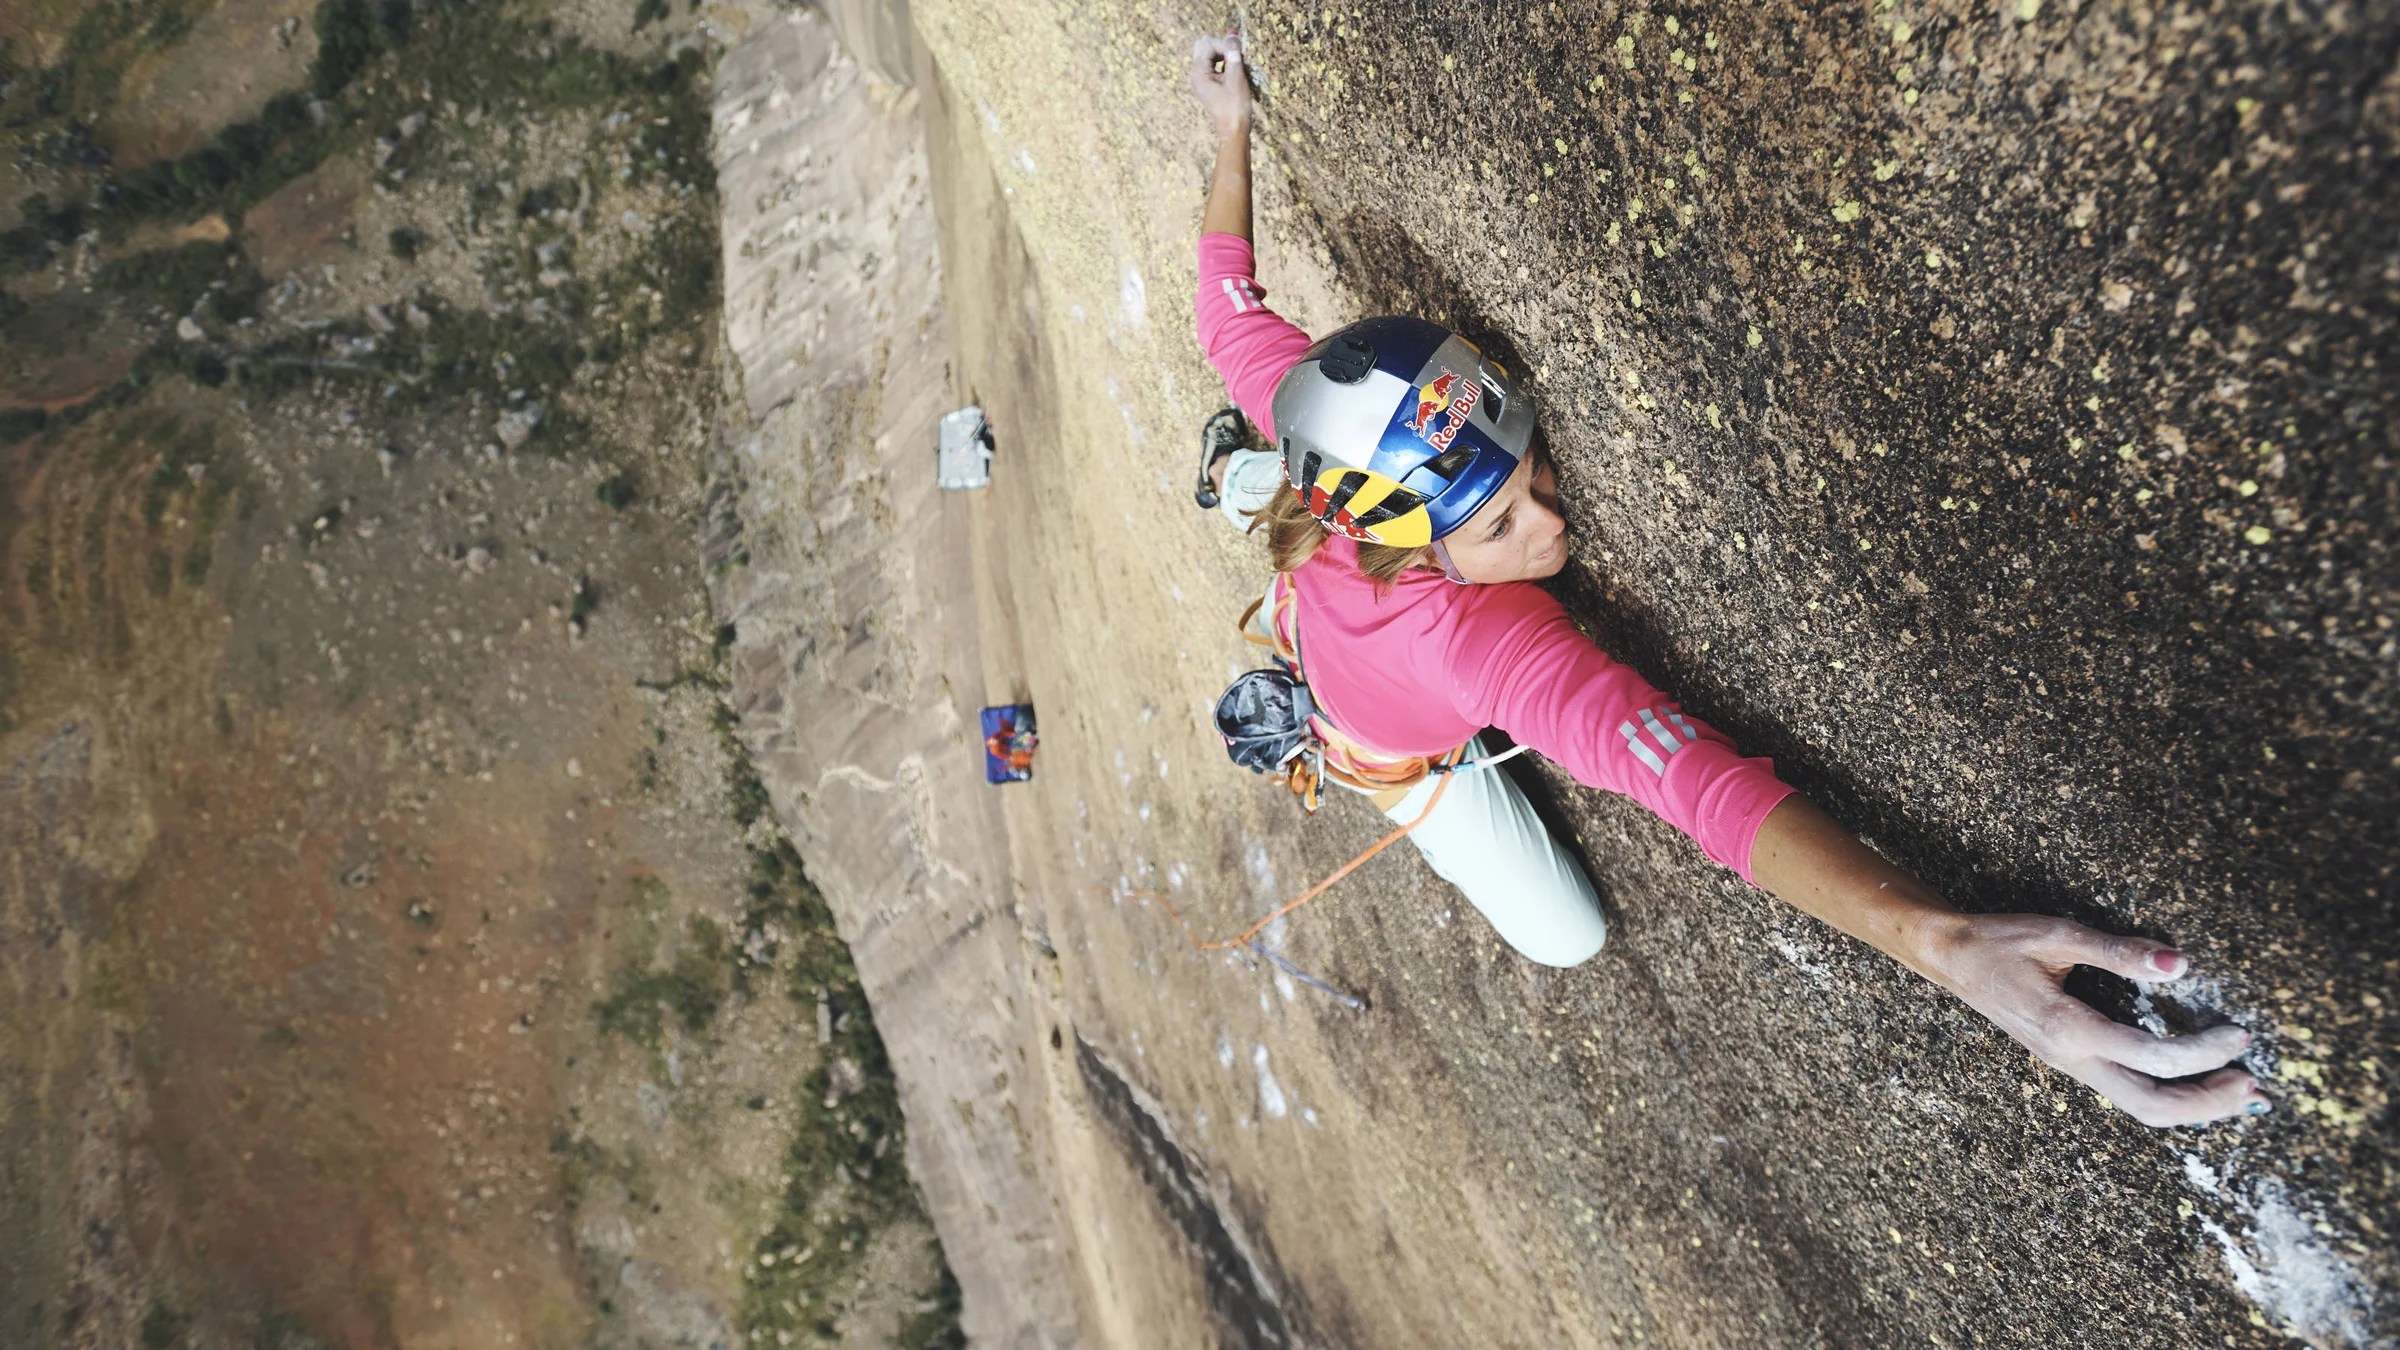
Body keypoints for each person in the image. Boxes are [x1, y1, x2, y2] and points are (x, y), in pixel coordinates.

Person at [1185, 31, 2267, 1129]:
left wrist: (1232, 129)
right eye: (1502, 524)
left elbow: (1223, 311)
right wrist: (1942, 945)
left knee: (1286, 490)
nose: (1552, 524)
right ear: (1424, 551)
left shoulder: (1327, 436)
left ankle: (1236, 479)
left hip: (1314, 591)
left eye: (1532, 469)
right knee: (1570, 938)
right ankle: (1241, 506)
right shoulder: (1478, 645)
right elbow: (1683, 779)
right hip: (1388, 751)